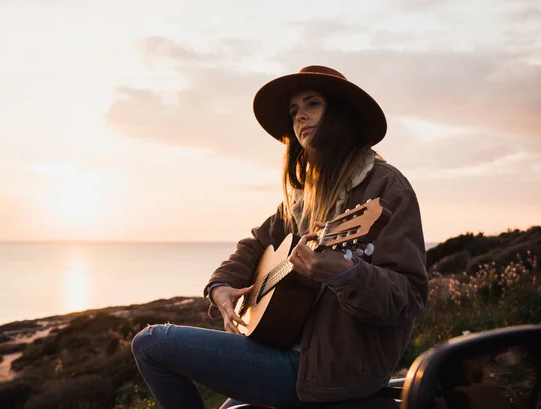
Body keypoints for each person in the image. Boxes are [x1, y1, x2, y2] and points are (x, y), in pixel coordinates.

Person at [131, 65, 429, 409]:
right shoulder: (306, 194)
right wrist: (222, 285)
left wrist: (346, 274)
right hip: (280, 347)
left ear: (342, 114)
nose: (299, 116)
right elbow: (257, 244)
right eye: (293, 111)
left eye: (312, 104)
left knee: (152, 344)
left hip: (332, 371)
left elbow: (408, 297)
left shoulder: (386, 188)